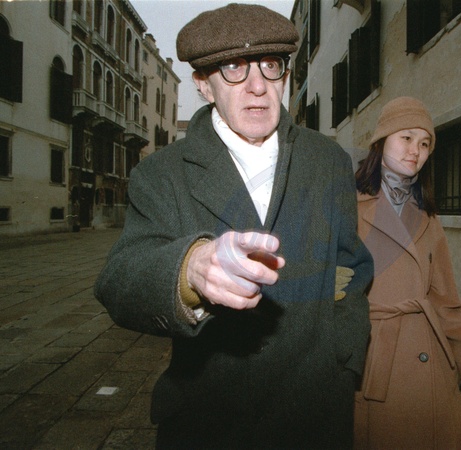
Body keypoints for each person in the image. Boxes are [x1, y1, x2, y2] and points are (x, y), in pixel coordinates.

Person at [94, 4, 373, 449]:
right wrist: (189, 269)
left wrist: (345, 359)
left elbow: (350, 266)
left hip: (315, 415)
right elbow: (119, 281)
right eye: (234, 68)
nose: (258, 86)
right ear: (204, 85)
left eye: (270, 66)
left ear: (285, 76)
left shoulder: (329, 161)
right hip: (210, 420)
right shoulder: (161, 174)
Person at [353, 97, 461, 449]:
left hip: (430, 358)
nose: (415, 151)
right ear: (381, 141)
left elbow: (443, 294)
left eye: (424, 144)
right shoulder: (345, 203)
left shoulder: (427, 214)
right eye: (406, 138)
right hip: (374, 360)